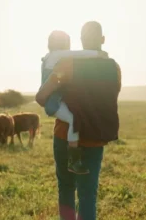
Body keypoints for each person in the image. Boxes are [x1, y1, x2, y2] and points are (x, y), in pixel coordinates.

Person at [36, 21, 121, 220]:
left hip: (64, 136)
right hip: (95, 137)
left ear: (81, 41)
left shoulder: (67, 64)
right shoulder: (114, 68)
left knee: (66, 189)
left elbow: (41, 97)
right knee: (88, 195)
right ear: (103, 39)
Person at [40, 30, 105, 175]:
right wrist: (97, 54)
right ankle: (74, 161)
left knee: (74, 117)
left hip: (55, 100)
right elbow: (79, 54)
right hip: (53, 102)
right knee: (74, 120)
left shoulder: (49, 57)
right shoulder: (58, 55)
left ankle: (74, 158)